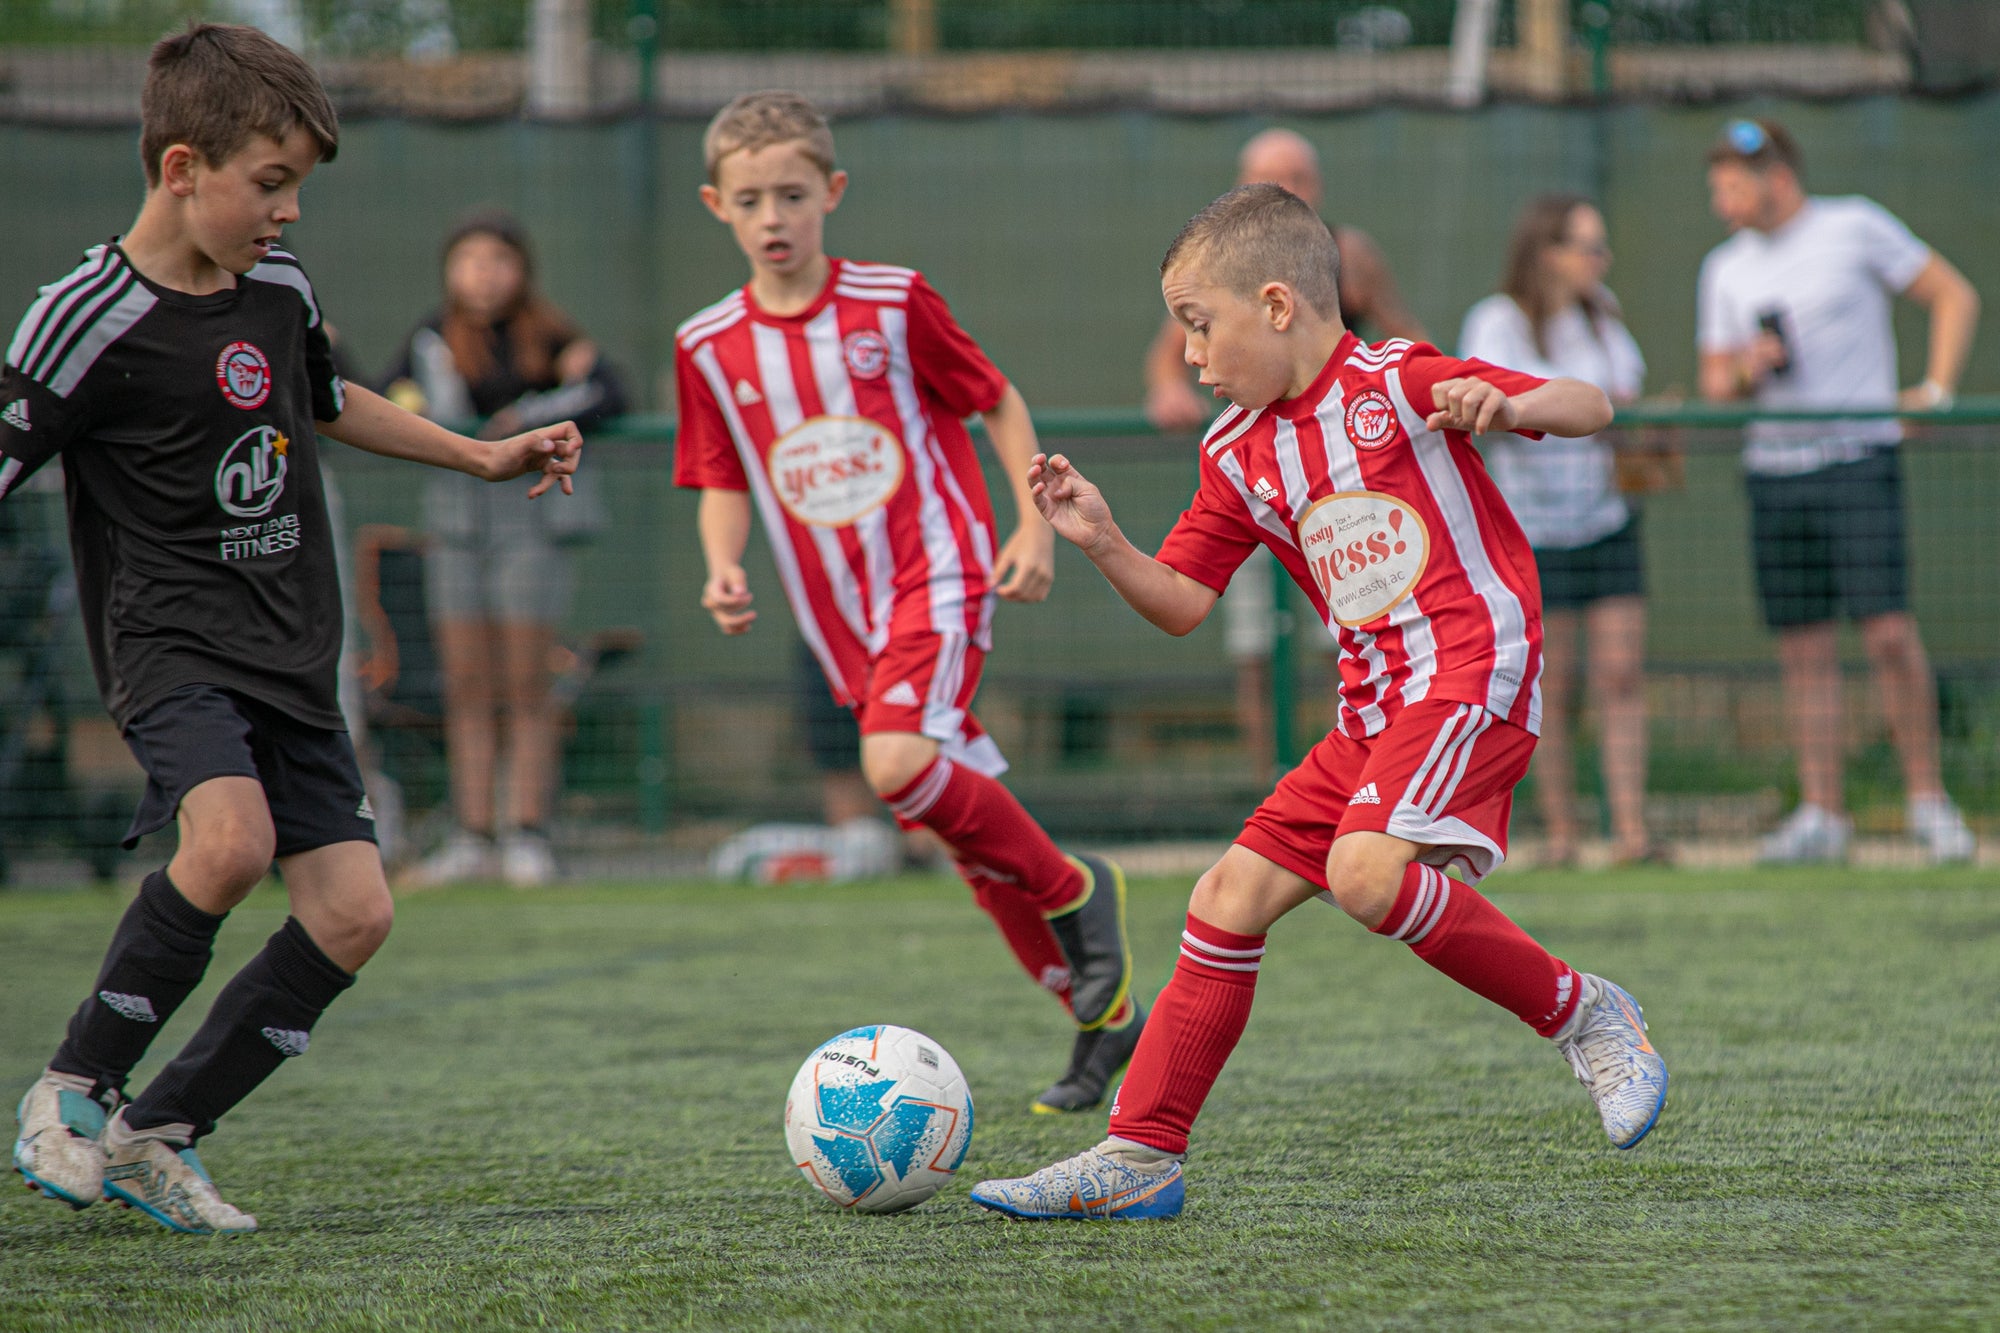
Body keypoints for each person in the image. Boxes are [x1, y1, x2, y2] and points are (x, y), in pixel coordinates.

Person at [970, 184, 1668, 1221]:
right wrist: (1104, 541)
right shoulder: (1234, 450)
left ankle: (1585, 1011)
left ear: (1276, 304)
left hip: (1472, 665)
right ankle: (1140, 1153)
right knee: (1224, 899)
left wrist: (1509, 405)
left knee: (1363, 872)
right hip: (1372, 714)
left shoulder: (1396, 380)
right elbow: (1182, 603)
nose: (1191, 357)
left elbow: (1590, 405)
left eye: (1198, 326)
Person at [4, 24, 583, 1233]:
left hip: (293, 654)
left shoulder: (278, 288)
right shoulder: (81, 316)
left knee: (355, 913)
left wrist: (479, 454)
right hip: (171, 649)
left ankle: (158, 1134)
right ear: (181, 169)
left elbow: (325, 398)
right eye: (270, 183)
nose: (290, 211)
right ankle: (68, 1089)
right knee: (228, 844)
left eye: (298, 186)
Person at [673, 90, 1144, 1114]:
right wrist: (722, 564)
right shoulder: (708, 344)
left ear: (831, 193)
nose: (772, 217)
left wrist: (1031, 527)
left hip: (936, 572)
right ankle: (1104, 1018)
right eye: (749, 200)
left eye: (792, 195)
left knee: (891, 765)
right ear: (716, 206)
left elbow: (995, 399)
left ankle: (1076, 889)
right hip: (838, 621)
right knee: (965, 841)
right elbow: (720, 473)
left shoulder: (891, 303)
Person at [1697, 118, 1982, 864]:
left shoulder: (1854, 226)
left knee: (1888, 634)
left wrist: (1935, 390)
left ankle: (1928, 802)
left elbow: (1953, 295)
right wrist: (1747, 367)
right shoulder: (1724, 269)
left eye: (1733, 186)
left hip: (1858, 463)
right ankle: (1823, 813)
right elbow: (1715, 383)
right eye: (1716, 187)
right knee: (1804, 650)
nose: (1722, 202)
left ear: (1777, 178)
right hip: (1774, 474)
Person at [1143, 129, 1426, 776]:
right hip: (1259, 483)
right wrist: (1168, 390)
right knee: (1255, 645)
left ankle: (1361, 773)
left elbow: (1412, 340)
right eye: (1269, 179)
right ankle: (1272, 779)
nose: (1287, 190)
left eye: (1298, 177)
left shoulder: (1349, 255)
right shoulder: (1216, 270)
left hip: (1345, 482)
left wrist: (1419, 395)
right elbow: (1167, 355)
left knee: (1353, 638)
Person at [382, 212, 626, 889]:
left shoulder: (551, 336)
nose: (483, 275)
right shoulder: (432, 339)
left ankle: (527, 832)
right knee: (466, 684)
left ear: (522, 270)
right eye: (469, 260)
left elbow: (609, 391)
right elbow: (383, 398)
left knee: (525, 682)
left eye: (497, 260)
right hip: (456, 528)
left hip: (531, 524)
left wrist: (532, 417)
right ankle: (472, 834)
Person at [1459, 195, 1657, 867]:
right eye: (1588, 247)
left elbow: (1621, 401)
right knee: (1551, 687)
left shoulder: (1603, 316)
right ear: (1548, 254)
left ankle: (1632, 832)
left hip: (1606, 518)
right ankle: (1562, 833)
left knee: (1621, 674)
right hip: (1532, 530)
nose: (1601, 260)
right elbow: (1488, 408)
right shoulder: (1497, 322)